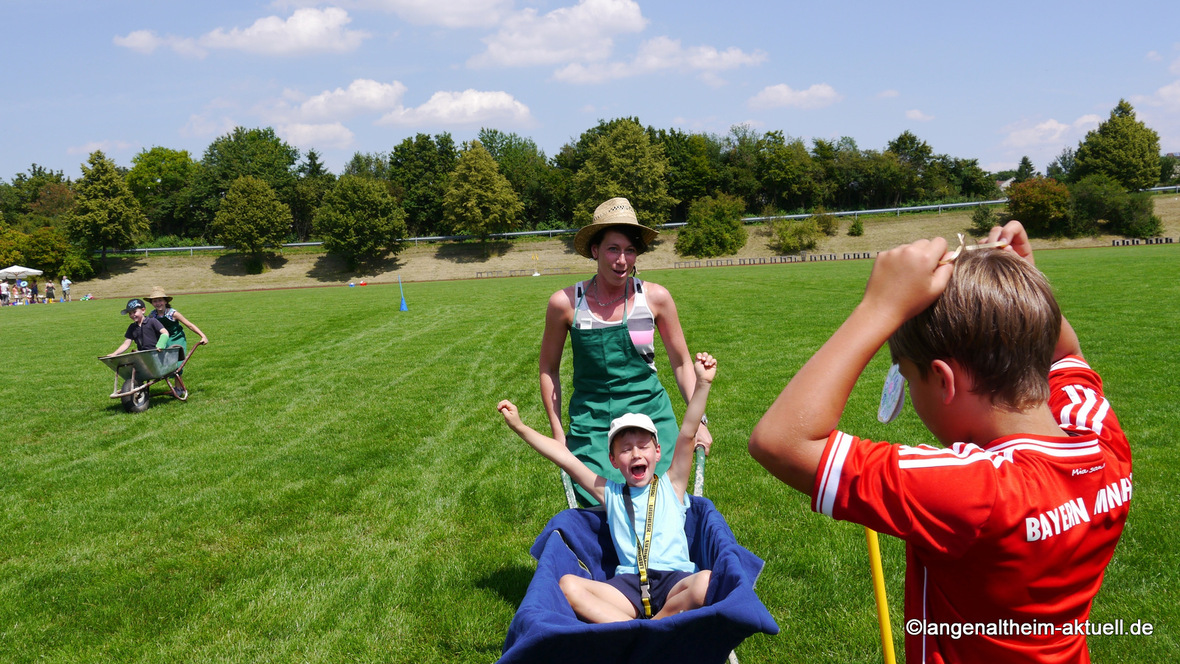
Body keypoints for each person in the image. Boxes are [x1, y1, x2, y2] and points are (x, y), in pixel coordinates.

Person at [748, 221, 1132, 664]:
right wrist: (1015, 283)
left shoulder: (976, 493)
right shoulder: (1102, 437)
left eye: (909, 378)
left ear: (943, 380)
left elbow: (780, 440)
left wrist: (879, 308)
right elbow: (1066, 354)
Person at [500, 352, 718, 623]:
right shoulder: (611, 494)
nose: (636, 454)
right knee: (569, 585)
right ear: (614, 460)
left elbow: (687, 432)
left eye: (643, 446)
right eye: (626, 449)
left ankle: (649, 628)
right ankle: (645, 630)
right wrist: (520, 427)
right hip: (628, 586)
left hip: (675, 579)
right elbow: (565, 458)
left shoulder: (671, 485)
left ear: (658, 452)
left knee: (706, 582)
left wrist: (703, 384)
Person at [540, 197, 711, 506]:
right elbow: (549, 370)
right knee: (603, 508)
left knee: (667, 503)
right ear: (595, 251)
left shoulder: (655, 299)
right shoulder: (565, 304)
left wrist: (699, 421)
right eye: (613, 249)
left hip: (652, 416)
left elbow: (682, 362)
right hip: (593, 423)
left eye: (629, 250)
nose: (622, 260)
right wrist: (558, 434)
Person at [146, 287, 209, 358]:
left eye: (160, 300)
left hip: (176, 338)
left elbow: (189, 325)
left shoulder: (173, 314)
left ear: (165, 302)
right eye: (155, 301)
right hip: (163, 340)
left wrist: (203, 336)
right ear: (151, 303)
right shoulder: (152, 315)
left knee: (177, 362)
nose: (158, 303)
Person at [106, 298, 171, 356]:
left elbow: (165, 333)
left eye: (134, 312)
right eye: (130, 313)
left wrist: (160, 345)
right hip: (142, 356)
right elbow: (126, 344)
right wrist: (115, 353)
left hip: (157, 354)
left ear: (143, 310)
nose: (132, 315)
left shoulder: (152, 321)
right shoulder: (132, 327)